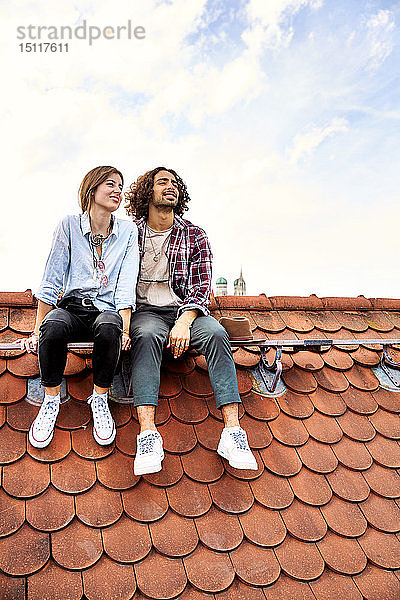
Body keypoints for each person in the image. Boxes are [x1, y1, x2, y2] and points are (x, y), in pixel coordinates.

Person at [124, 167, 257, 475]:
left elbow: (201, 288)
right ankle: (147, 435)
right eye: (162, 182)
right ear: (148, 193)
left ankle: (233, 433)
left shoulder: (194, 235)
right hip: (145, 312)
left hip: (185, 311)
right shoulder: (130, 234)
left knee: (216, 333)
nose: (170, 187)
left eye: (174, 183)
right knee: (144, 337)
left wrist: (184, 322)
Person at [17, 166, 139, 449]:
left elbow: (125, 286)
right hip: (72, 307)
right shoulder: (69, 226)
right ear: (92, 189)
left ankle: (99, 398)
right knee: (54, 325)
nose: (117, 191)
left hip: (105, 309)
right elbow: (51, 278)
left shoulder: (127, 232)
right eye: (110, 184)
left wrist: (126, 329)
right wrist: (37, 331)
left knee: (111, 326)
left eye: (120, 186)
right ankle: (50, 400)